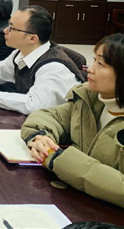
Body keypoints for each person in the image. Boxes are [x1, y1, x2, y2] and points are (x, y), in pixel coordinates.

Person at [22, 33, 124, 208]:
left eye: (100, 64)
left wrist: (57, 159)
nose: (90, 69)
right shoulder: (90, 98)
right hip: (75, 201)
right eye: (94, 60)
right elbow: (47, 117)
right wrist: (41, 138)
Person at [0, 6, 85, 114]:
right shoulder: (21, 53)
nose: (5, 31)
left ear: (32, 38)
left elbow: (33, 105)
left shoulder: (53, 68)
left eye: (12, 28)